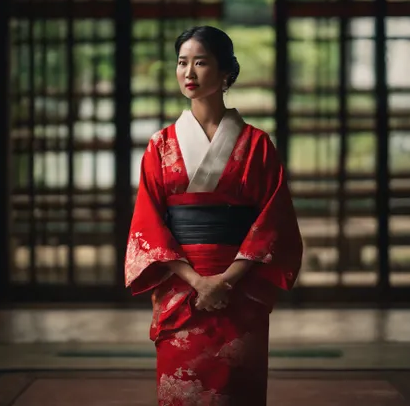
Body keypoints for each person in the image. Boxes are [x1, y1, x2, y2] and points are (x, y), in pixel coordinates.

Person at [125, 25, 303, 405]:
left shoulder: (257, 145)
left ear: (226, 73)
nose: (188, 73)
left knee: (237, 391)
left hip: (239, 288)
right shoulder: (160, 145)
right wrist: (196, 280)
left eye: (200, 63)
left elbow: (274, 221)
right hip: (180, 289)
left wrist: (225, 281)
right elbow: (148, 223)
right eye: (181, 62)